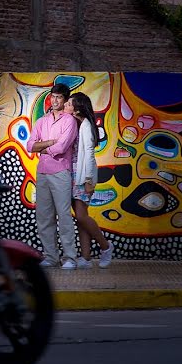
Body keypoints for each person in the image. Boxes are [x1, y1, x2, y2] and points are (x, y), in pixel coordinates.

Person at [25, 83, 79, 269]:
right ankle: (51, 256)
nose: (55, 100)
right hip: (43, 172)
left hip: (61, 173)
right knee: (44, 216)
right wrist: (48, 143)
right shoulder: (42, 121)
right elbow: (30, 146)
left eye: (59, 97)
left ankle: (70, 258)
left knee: (64, 215)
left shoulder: (69, 121)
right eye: (53, 96)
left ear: (65, 100)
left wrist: (43, 147)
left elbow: (62, 147)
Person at [64, 92, 114, 269]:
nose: (65, 106)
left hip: (81, 175)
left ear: (77, 108)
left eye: (69, 104)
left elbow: (90, 156)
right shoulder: (75, 124)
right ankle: (85, 258)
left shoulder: (85, 125)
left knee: (82, 216)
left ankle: (106, 247)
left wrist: (88, 180)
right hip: (72, 175)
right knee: (80, 218)